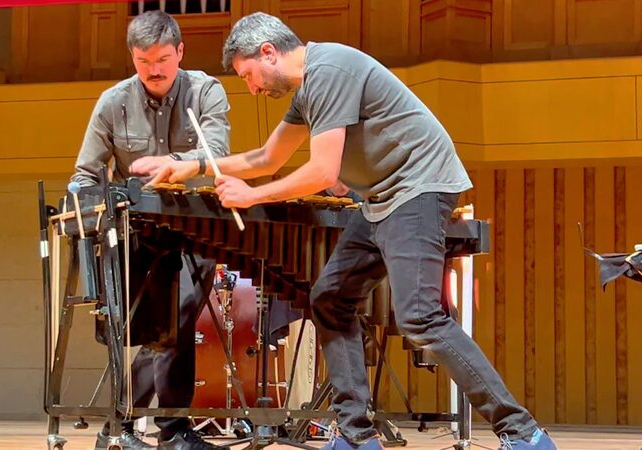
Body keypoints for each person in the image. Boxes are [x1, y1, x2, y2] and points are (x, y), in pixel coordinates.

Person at [145, 12, 558, 450]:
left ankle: (524, 434)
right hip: (383, 198)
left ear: (268, 53)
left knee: (420, 316)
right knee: (330, 300)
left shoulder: (329, 71)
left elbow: (323, 172)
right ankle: (356, 436)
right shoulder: (308, 89)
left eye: (248, 75)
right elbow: (268, 158)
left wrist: (252, 196)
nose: (252, 88)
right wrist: (193, 165)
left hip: (418, 187)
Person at [71, 10, 228, 450]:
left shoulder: (206, 91)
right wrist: (93, 214)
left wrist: (173, 165)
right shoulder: (112, 102)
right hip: (138, 233)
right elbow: (85, 174)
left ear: (180, 52)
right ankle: (148, 430)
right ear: (132, 57)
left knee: (173, 324)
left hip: (196, 227)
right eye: (143, 61)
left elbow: (217, 151)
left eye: (162, 59)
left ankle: (140, 427)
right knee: (152, 329)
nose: (154, 70)